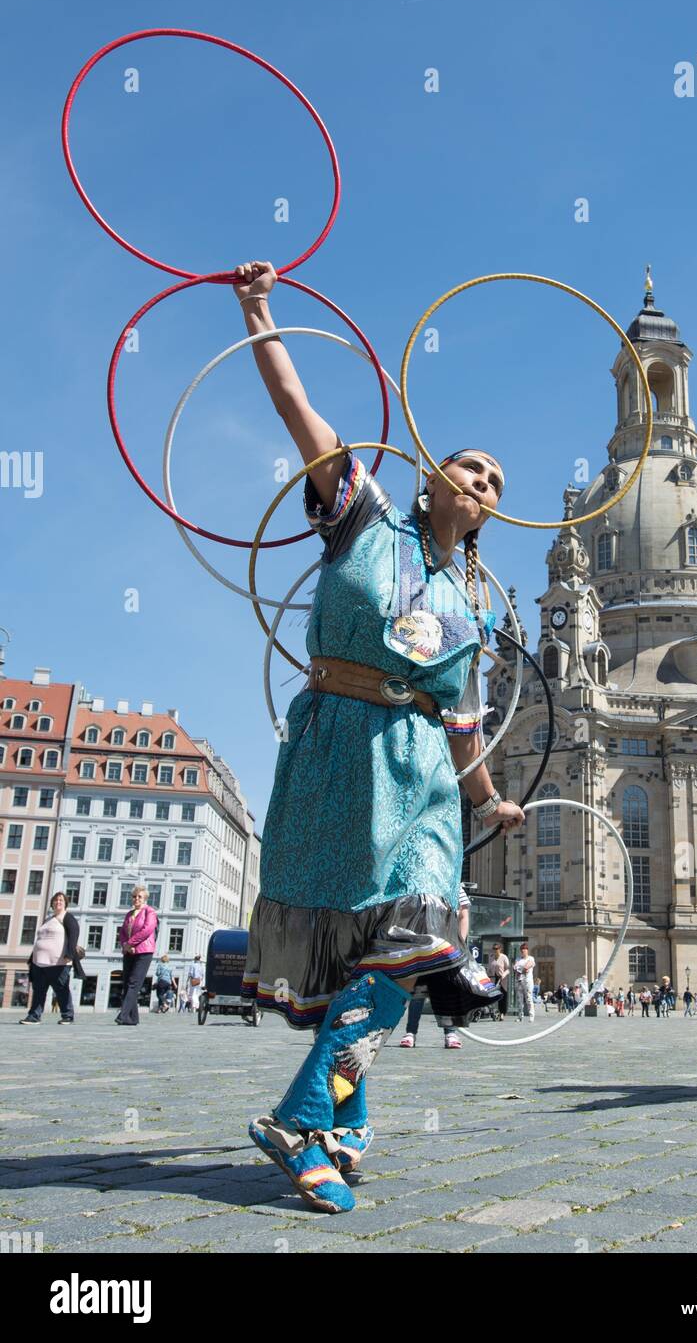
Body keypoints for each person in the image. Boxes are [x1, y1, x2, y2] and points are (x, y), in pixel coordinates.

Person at [234, 258, 524, 1214]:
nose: (482, 481)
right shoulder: (363, 517)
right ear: (435, 471)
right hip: (334, 753)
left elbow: (462, 720)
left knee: (421, 938)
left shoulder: (467, 608)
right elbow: (293, 403)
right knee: (365, 961)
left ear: (489, 512)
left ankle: (306, 1116)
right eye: (472, 466)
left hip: (418, 776)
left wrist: (488, 797)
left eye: (494, 482)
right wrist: (260, 310)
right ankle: (339, 1128)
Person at [400, 887, 471, 1048]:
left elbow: (463, 913)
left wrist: (459, 944)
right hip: (422, 944)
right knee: (418, 991)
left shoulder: (454, 883)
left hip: (446, 945)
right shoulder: (420, 882)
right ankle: (411, 1032)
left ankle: (450, 1032)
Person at [18, 892, 85, 1026]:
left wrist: (69, 955)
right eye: (55, 900)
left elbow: (73, 936)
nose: (58, 902)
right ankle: (34, 1016)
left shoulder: (67, 918)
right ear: (52, 903)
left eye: (61, 900)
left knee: (61, 989)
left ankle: (67, 1016)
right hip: (39, 962)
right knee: (39, 990)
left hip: (59, 962)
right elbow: (40, 939)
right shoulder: (48, 919)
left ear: (65, 903)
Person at [116, 886, 158, 1025]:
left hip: (144, 951)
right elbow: (122, 932)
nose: (136, 899)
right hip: (129, 951)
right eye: (134, 896)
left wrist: (131, 943)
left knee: (134, 983)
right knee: (127, 983)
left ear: (145, 898)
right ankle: (133, 1018)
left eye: (139, 896)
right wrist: (125, 945)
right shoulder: (130, 914)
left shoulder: (150, 912)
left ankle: (123, 1014)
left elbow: (147, 930)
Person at [487, 942, 511, 1021]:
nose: (495, 950)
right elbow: (489, 968)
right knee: (493, 996)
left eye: (496, 949)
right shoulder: (491, 957)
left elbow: (508, 969)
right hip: (493, 979)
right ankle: (493, 1012)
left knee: (502, 997)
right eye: (494, 949)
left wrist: (504, 974)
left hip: (502, 979)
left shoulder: (504, 957)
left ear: (500, 949)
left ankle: (502, 1013)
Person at [514, 943, 536, 1022]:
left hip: (527, 981)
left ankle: (531, 1016)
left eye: (525, 949)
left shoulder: (531, 958)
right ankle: (520, 1016)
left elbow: (527, 967)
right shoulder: (518, 959)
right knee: (519, 999)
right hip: (519, 981)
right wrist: (522, 969)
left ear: (527, 950)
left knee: (529, 998)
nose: (523, 950)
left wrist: (521, 969)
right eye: (522, 949)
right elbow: (515, 968)